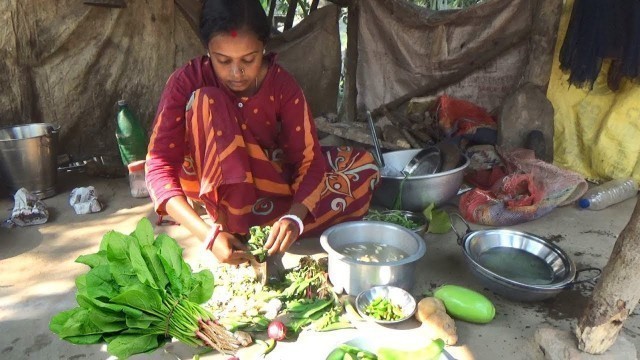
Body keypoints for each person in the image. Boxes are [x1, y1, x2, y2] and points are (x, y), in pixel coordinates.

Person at [146, 0, 379, 265]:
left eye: (249, 59)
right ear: (207, 51)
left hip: (268, 181)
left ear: (264, 49)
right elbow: (158, 164)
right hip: (212, 186)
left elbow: (308, 160)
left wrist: (294, 216)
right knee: (206, 100)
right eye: (223, 61)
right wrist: (207, 236)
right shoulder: (187, 81)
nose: (237, 73)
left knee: (364, 167)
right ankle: (230, 225)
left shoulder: (282, 86)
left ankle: (267, 224)